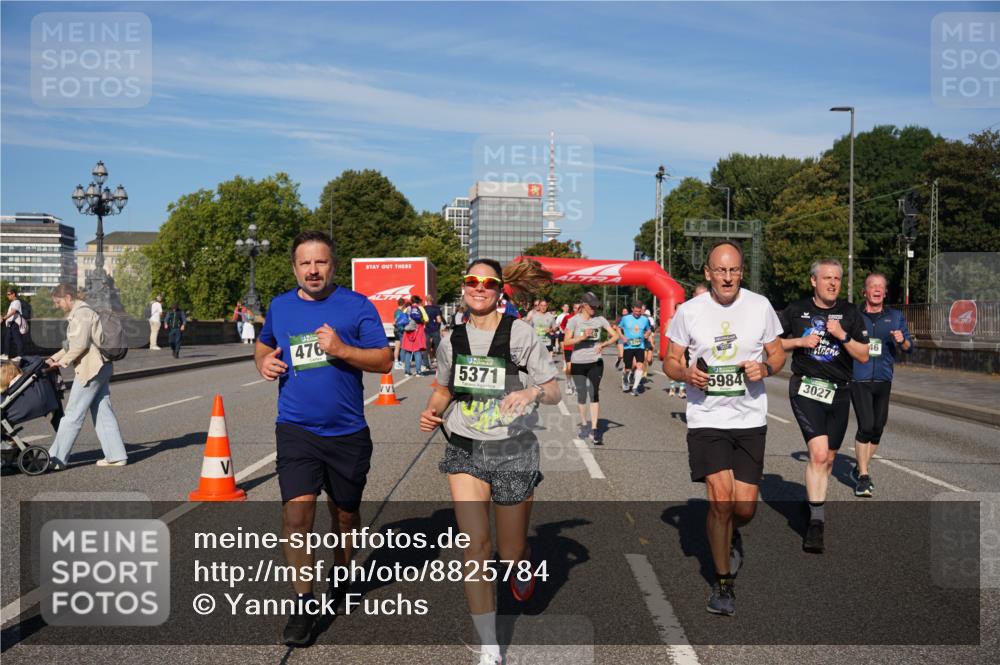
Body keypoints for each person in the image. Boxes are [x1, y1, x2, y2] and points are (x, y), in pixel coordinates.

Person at [419, 258, 560, 665]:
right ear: (463, 287)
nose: (479, 287)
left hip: (513, 449)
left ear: (500, 290)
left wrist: (530, 394)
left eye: (488, 282)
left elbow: (553, 391)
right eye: (471, 280)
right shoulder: (451, 340)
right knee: (475, 546)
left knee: (510, 552)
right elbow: (444, 390)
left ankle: (521, 565)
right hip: (465, 446)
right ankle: (489, 645)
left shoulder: (520, 334)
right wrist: (432, 412)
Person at [256, 230, 391, 646]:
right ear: (294, 267)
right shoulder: (279, 306)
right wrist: (264, 364)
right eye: (304, 263)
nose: (312, 270)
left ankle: (344, 568)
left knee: (344, 517)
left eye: (321, 262)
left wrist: (343, 350)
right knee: (297, 515)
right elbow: (264, 347)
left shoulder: (356, 306)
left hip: (347, 432)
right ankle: (302, 603)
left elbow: (385, 358)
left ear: (333, 265)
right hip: (296, 429)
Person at [665, 241, 785, 617]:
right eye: (721, 270)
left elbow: (778, 354)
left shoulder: (760, 306)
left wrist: (764, 368)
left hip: (750, 418)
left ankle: (732, 532)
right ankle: (722, 585)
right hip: (707, 419)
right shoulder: (689, 311)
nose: (728, 277)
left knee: (744, 507)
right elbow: (669, 360)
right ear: (708, 272)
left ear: (741, 272)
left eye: (734, 270)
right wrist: (686, 373)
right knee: (720, 498)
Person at [779, 258, 869, 554]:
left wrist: (842, 335)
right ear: (813, 281)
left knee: (828, 460)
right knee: (818, 454)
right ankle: (816, 523)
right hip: (806, 387)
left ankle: (811, 502)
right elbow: (772, 344)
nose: (833, 283)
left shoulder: (850, 312)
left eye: (837, 279)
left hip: (840, 393)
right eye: (827, 278)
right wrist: (799, 343)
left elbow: (864, 355)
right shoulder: (795, 310)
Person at [46, 283, 128, 470]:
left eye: (58, 302)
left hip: (91, 368)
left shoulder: (82, 314)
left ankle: (56, 459)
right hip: (101, 366)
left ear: (68, 298)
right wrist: (54, 358)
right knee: (102, 411)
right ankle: (116, 456)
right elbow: (72, 345)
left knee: (72, 415)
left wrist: (62, 362)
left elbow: (80, 345)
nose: (57, 306)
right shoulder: (82, 312)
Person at [850, 273, 913, 498]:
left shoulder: (895, 317)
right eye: (872, 286)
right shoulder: (854, 315)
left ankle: (859, 465)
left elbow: (909, 347)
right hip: (859, 377)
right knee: (866, 425)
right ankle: (864, 477)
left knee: (878, 428)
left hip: (884, 378)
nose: (877, 290)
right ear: (865, 291)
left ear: (885, 292)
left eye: (881, 287)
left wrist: (901, 340)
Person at [563, 292, 620, 444]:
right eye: (591, 305)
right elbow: (566, 342)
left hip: (595, 361)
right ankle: (584, 425)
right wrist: (581, 338)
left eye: (596, 305)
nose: (595, 307)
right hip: (578, 362)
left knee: (594, 393)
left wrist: (603, 344)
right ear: (584, 305)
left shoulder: (600, 320)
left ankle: (594, 429)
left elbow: (615, 336)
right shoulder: (574, 321)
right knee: (582, 394)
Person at [618, 302, 653, 396]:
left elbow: (649, 329)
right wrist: (622, 336)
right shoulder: (625, 318)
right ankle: (625, 378)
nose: (638, 313)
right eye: (636, 311)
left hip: (640, 346)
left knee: (640, 365)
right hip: (628, 346)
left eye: (639, 311)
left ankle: (634, 388)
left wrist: (647, 334)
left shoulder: (645, 319)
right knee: (628, 369)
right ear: (632, 309)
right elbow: (618, 328)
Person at [402, 296, 428, 376]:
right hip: (418, 330)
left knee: (408, 352)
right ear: (418, 301)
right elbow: (427, 319)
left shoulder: (407, 309)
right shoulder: (420, 308)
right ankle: (418, 372)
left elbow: (403, 319)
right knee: (417, 352)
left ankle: (407, 371)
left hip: (408, 331)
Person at [559, 303, 580, 396]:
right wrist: (566, 331)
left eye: (579, 308)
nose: (577, 309)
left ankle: (576, 386)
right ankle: (568, 382)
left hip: (579, 346)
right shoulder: (568, 317)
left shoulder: (584, 318)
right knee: (569, 367)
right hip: (569, 345)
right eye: (576, 308)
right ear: (573, 308)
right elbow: (562, 325)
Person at [2, 287, 27, 358]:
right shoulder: (13, 302)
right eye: (7, 294)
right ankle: (6, 354)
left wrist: (4, 318)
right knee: (7, 339)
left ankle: (20, 355)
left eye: (9, 294)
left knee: (18, 339)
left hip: (15, 323)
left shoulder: (17, 302)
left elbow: (13, 312)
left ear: (13, 294)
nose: (7, 296)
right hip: (11, 323)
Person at [423, 297, 443, 372]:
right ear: (432, 300)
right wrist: (437, 325)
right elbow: (439, 320)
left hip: (426, 330)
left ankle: (426, 365)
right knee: (438, 347)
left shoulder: (424, 308)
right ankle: (440, 364)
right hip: (435, 330)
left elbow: (423, 320)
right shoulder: (436, 308)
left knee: (426, 348)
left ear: (426, 300)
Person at [393, 297, 409, 370]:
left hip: (396, 331)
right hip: (400, 331)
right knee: (403, 347)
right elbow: (395, 322)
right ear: (403, 304)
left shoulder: (395, 311)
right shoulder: (400, 312)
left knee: (397, 347)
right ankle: (402, 363)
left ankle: (396, 362)